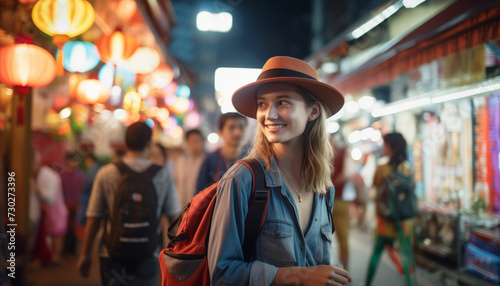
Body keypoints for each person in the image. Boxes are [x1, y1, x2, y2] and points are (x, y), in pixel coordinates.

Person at [207, 56, 351, 285]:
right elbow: (222, 274)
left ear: (313, 112)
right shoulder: (242, 181)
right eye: (262, 104)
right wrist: (299, 276)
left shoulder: (324, 189)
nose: (269, 114)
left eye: (283, 102)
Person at [78, 122, 181, 285]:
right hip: (149, 253)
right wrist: (179, 255)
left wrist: (86, 254)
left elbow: (94, 216)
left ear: (125, 143)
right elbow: (174, 218)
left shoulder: (106, 173)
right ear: (149, 143)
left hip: (112, 254)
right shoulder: (163, 175)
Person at [365, 132, 413, 285]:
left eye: (385, 144)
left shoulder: (381, 168)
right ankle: (409, 282)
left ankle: (367, 283)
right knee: (405, 252)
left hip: (385, 218)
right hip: (403, 218)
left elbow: (374, 188)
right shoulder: (406, 168)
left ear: (391, 147)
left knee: (377, 252)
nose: (382, 147)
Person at [195, 112, 248, 193]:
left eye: (241, 127)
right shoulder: (211, 160)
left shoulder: (252, 159)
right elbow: (199, 193)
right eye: (231, 127)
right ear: (220, 132)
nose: (237, 133)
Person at [32, 151, 68, 265]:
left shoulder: (45, 175)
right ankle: (52, 258)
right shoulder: (45, 174)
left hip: (54, 212)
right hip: (53, 212)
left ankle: (54, 258)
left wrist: (36, 189)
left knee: (56, 235)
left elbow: (50, 198)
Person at [60, 151, 85, 256]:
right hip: (64, 205)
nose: (73, 162)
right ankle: (65, 250)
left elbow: (82, 192)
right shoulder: (62, 175)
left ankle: (73, 251)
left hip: (76, 206)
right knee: (65, 229)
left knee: (75, 229)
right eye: (71, 160)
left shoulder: (80, 175)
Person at [174, 129, 206, 207]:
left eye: (198, 140)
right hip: (182, 207)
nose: (196, 144)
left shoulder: (206, 161)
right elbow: (176, 182)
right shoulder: (181, 162)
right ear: (187, 143)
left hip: (200, 206)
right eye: (193, 141)